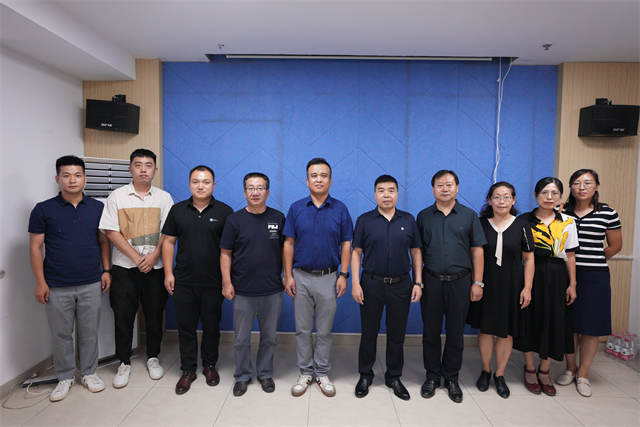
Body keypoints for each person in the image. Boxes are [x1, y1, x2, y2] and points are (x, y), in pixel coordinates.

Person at [28, 155, 112, 401]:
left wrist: (106, 270)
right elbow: (35, 247)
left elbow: (103, 242)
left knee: (89, 332)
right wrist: (40, 282)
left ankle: (89, 373)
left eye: (77, 175)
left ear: (85, 178)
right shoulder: (43, 209)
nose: (72, 180)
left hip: (91, 281)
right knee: (61, 334)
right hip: (56, 284)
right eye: (66, 175)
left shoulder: (97, 208)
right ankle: (64, 376)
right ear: (58, 179)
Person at [99, 148, 174, 388]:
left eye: (148, 165)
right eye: (138, 165)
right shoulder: (117, 197)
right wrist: (136, 257)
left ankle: (153, 357)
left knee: (154, 315)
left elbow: (168, 233)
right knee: (123, 316)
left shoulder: (164, 198)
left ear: (155, 169)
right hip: (124, 268)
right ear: (131, 168)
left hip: (156, 267)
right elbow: (111, 231)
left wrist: (153, 257)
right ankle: (124, 362)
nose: (143, 169)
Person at [283, 157, 353, 397]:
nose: (319, 179)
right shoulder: (296, 208)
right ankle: (305, 372)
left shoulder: (340, 209)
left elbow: (346, 244)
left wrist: (343, 275)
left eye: (324, 175)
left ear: (330, 181)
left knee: (324, 330)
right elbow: (288, 243)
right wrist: (288, 275)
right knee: (302, 329)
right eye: (314, 175)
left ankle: (322, 372)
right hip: (300, 277)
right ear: (307, 180)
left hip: (329, 277)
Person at [416, 169, 486, 403]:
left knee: (456, 333)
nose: (444, 189)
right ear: (433, 189)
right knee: (431, 332)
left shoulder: (469, 216)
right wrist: (419, 281)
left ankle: (451, 377)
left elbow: (477, 250)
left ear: (457, 187)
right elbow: (418, 252)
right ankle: (432, 376)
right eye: (440, 185)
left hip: (461, 282)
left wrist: (477, 282)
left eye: (449, 184)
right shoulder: (424, 216)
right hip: (432, 281)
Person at [161, 165, 232, 395]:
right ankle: (188, 369)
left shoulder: (225, 211)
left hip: (213, 281)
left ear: (213, 185)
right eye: (196, 181)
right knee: (186, 327)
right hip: (184, 280)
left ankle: (210, 366)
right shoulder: (177, 210)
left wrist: (227, 280)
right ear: (189, 184)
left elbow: (229, 249)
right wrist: (168, 273)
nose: (200, 186)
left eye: (206, 182)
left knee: (212, 326)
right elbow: (169, 242)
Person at [351, 174, 423, 401]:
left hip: (401, 284)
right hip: (371, 283)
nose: (386, 195)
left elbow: (416, 251)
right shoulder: (364, 220)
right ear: (375, 194)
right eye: (381, 190)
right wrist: (355, 283)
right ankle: (365, 375)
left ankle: (394, 376)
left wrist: (418, 282)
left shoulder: (408, 220)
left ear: (397, 194)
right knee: (369, 333)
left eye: (391, 190)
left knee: (396, 334)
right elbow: (356, 252)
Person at [557, 169, 622, 397]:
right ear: (571, 187)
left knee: (591, 327)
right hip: (566, 275)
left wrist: (594, 258)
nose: (581, 187)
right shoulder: (562, 212)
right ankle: (570, 369)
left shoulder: (607, 213)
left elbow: (615, 245)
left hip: (595, 276)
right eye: (576, 183)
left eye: (587, 183)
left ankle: (583, 374)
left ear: (596, 186)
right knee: (570, 325)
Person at [467, 182, 534, 399]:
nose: (502, 201)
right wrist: (476, 283)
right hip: (485, 284)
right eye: (497, 197)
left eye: (506, 197)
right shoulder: (480, 224)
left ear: (513, 200)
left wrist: (527, 288)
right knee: (486, 330)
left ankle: (500, 374)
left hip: (512, 285)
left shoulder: (522, 225)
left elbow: (529, 259)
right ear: (489, 200)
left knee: (506, 332)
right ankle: (486, 370)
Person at [220, 172, 286, 397]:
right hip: (242, 290)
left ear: (267, 192)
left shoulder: (278, 218)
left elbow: (286, 250)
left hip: (272, 289)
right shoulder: (234, 220)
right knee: (241, 339)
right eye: (250, 188)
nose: (255, 192)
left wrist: (287, 275)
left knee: (270, 337)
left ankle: (265, 373)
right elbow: (225, 253)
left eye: (260, 188)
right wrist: (227, 282)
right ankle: (242, 376)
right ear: (244, 191)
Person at [514, 177, 578, 397]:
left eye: (554, 193)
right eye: (544, 192)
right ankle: (530, 369)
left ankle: (545, 371)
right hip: (530, 274)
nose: (549, 197)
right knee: (529, 320)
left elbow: (570, 255)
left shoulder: (568, 222)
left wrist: (572, 284)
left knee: (554, 321)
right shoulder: (524, 220)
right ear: (536, 195)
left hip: (558, 276)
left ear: (560, 196)